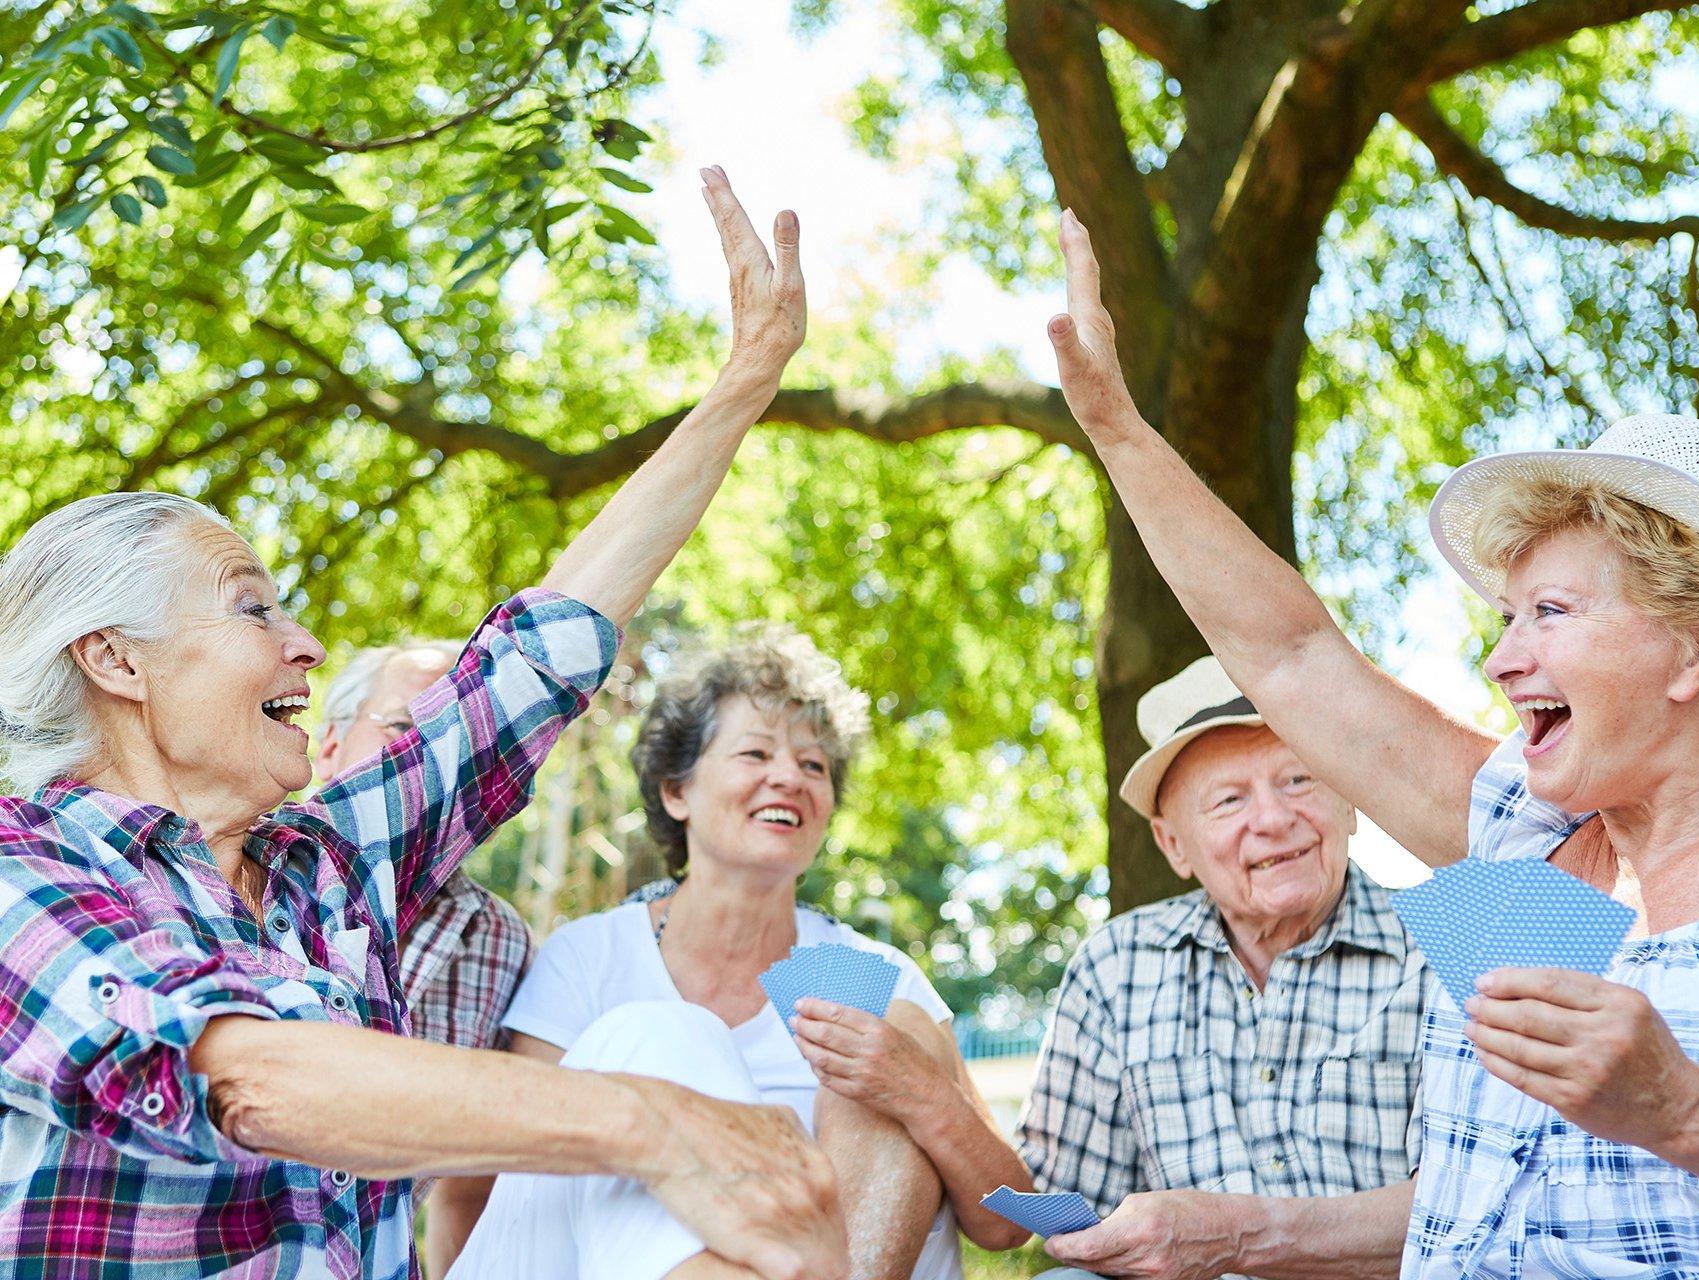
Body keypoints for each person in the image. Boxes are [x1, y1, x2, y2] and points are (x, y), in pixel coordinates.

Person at [0, 169, 850, 1280]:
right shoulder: (23, 860)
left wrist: (741, 385)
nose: (304, 642)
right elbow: (248, 1078)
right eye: (251, 605)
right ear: (113, 658)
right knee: (657, 1075)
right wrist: (655, 1121)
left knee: (667, 1037)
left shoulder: (323, 862)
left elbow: (536, 654)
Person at [1033, 207, 1699, 1278]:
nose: (1500, 660)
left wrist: (1681, 1109)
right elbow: (1292, 654)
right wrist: (1114, 424)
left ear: (1687, 651)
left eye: (1550, 614)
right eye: (1503, 617)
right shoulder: (1518, 836)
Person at [449, 628, 1033, 1280]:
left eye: (814, 766)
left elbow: (1010, 1223)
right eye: (755, 753)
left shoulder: (876, 977)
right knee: (660, 1035)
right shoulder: (588, 958)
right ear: (676, 792)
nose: (789, 777)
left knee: (896, 1034)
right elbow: (492, 1192)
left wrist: (924, 1092)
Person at [1022, 655, 1426, 1280]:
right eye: (1229, 799)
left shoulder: (1437, 950)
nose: (1272, 819)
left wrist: (1239, 1239)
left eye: (1298, 779)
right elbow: (1068, 1209)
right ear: (1173, 844)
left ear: (1349, 801)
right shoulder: (1115, 966)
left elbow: (1470, 1210)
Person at [315, 639, 532, 1278]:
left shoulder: (499, 939)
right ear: (329, 747)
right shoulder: (239, 877)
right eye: (410, 732)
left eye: (465, 747)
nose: (436, 766)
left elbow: (473, 1178)